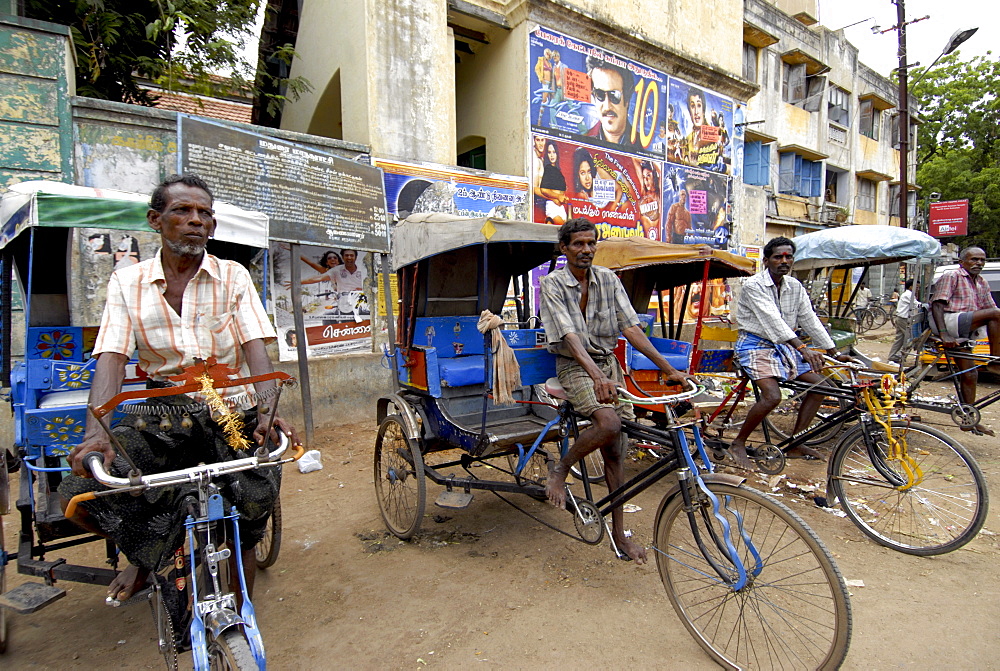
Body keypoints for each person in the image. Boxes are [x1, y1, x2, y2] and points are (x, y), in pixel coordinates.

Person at [58, 174, 300, 605]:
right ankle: (152, 553)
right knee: (85, 490)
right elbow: (111, 358)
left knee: (257, 488)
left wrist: (266, 412)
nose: (196, 221)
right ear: (156, 220)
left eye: (205, 213)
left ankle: (240, 593)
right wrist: (98, 435)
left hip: (231, 411)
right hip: (162, 414)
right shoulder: (127, 283)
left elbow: (255, 349)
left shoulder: (233, 276)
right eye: (183, 211)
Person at [539, 218, 692, 563]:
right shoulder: (552, 284)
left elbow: (632, 328)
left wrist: (668, 369)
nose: (586, 250)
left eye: (591, 243)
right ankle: (561, 470)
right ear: (564, 248)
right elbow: (569, 337)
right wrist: (595, 376)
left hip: (608, 366)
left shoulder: (608, 280)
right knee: (608, 423)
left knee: (616, 449)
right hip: (575, 365)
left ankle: (619, 536)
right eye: (578, 244)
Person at [730, 237, 848, 469]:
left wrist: (833, 351)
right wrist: (803, 348)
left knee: (822, 386)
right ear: (766, 261)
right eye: (778, 257)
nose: (784, 261)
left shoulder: (795, 286)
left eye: (788, 257)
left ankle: (796, 441)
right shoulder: (754, 285)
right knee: (773, 396)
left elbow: (809, 319)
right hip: (754, 346)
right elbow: (772, 321)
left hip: (784, 347)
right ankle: (738, 443)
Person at [930, 246, 1000, 435]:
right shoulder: (953, 276)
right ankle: (995, 361)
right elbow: (937, 304)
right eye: (974, 259)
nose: (978, 263)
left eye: (982, 260)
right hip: (950, 321)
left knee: (970, 375)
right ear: (962, 261)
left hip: (966, 328)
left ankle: (969, 419)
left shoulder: (982, 282)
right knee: (995, 314)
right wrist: (944, 334)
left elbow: (991, 308)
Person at [584, 55, 638, 150]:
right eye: (599, 94)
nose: (607, 106)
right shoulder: (583, 141)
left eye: (614, 96)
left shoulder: (642, 146)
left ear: (627, 99)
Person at [684, 88, 721, 170]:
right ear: (690, 111)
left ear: (703, 110)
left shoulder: (711, 133)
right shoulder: (688, 138)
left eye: (699, 105)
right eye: (693, 106)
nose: (696, 111)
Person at [537, 139, 568, 226]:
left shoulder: (558, 170)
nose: (552, 155)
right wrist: (557, 197)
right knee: (564, 231)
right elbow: (543, 190)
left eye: (554, 152)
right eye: (549, 152)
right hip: (552, 206)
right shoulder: (548, 168)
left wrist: (563, 198)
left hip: (560, 207)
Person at [887, 279, 915, 364]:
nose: (917, 289)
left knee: (899, 339)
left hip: (900, 318)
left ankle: (892, 356)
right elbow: (916, 304)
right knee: (911, 339)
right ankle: (900, 356)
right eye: (916, 287)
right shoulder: (909, 295)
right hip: (904, 319)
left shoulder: (907, 294)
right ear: (911, 286)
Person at [637, 160, 661, 240]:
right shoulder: (643, 193)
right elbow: (634, 161)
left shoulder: (659, 193)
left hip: (658, 240)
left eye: (648, 176)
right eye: (644, 177)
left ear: (654, 176)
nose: (646, 180)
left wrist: (653, 160)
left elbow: (661, 173)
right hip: (645, 240)